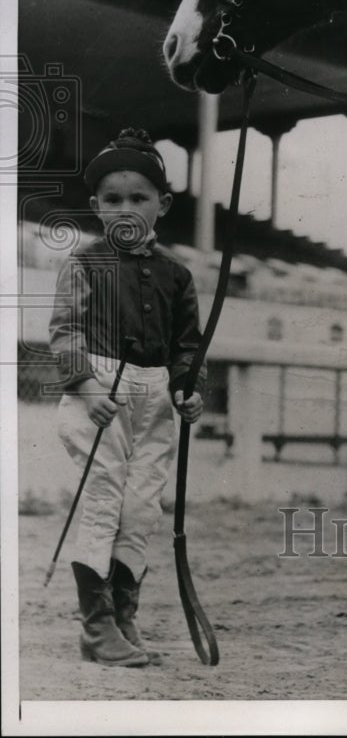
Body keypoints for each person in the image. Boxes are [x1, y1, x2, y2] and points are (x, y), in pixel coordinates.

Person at [49, 127, 205, 667]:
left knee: (139, 510)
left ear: (161, 205)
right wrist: (87, 385)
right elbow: (65, 332)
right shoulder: (84, 264)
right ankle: (96, 629)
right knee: (103, 504)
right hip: (100, 394)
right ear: (95, 207)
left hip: (155, 396)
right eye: (112, 200)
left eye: (138, 198)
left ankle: (123, 616)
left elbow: (188, 346)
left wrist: (188, 390)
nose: (125, 209)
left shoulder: (177, 274)